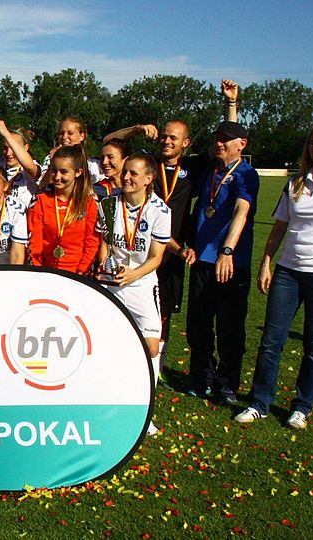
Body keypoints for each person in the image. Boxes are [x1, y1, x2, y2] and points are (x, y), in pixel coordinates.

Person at [103, 81, 240, 384]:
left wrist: (231, 105)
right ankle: (123, 361)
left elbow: (228, 142)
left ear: (186, 144)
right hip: (135, 246)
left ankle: (157, 367)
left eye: (173, 138)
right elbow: (110, 140)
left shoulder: (194, 167)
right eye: (164, 136)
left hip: (172, 252)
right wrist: (139, 129)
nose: (166, 141)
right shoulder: (144, 162)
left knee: (163, 310)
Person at [235, 122, 313, 429]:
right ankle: (260, 401)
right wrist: (266, 262)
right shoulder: (297, 182)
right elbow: (279, 227)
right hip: (288, 272)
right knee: (271, 341)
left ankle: (302, 407)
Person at [185, 112, 260, 404]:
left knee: (229, 327)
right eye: (217, 138)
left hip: (230, 263)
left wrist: (227, 250)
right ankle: (200, 378)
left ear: (242, 144)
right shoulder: (211, 170)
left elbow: (242, 210)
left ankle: (226, 383)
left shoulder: (246, 174)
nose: (219, 143)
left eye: (226, 140)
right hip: (202, 261)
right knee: (198, 325)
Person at [95, 153, 171, 433]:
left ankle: (145, 411)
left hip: (140, 283)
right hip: (111, 282)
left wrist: (133, 274)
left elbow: (156, 257)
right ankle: (109, 403)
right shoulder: (108, 204)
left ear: (148, 179)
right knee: (107, 345)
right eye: (125, 172)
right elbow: (104, 240)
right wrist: (105, 259)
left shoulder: (159, 211)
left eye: (134, 174)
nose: (126, 177)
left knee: (151, 346)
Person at [28, 144, 100, 274]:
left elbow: (91, 242)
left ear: (78, 172)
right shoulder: (41, 199)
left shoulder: (89, 203)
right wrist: (39, 271)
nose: (56, 177)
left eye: (64, 172)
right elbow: (35, 241)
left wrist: (80, 272)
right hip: (46, 271)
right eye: (54, 170)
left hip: (77, 274)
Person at [39, 116, 104, 185]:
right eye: (61, 133)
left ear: (82, 136)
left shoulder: (94, 164)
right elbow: (43, 187)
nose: (64, 137)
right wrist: (52, 163)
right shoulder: (49, 159)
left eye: (70, 133)